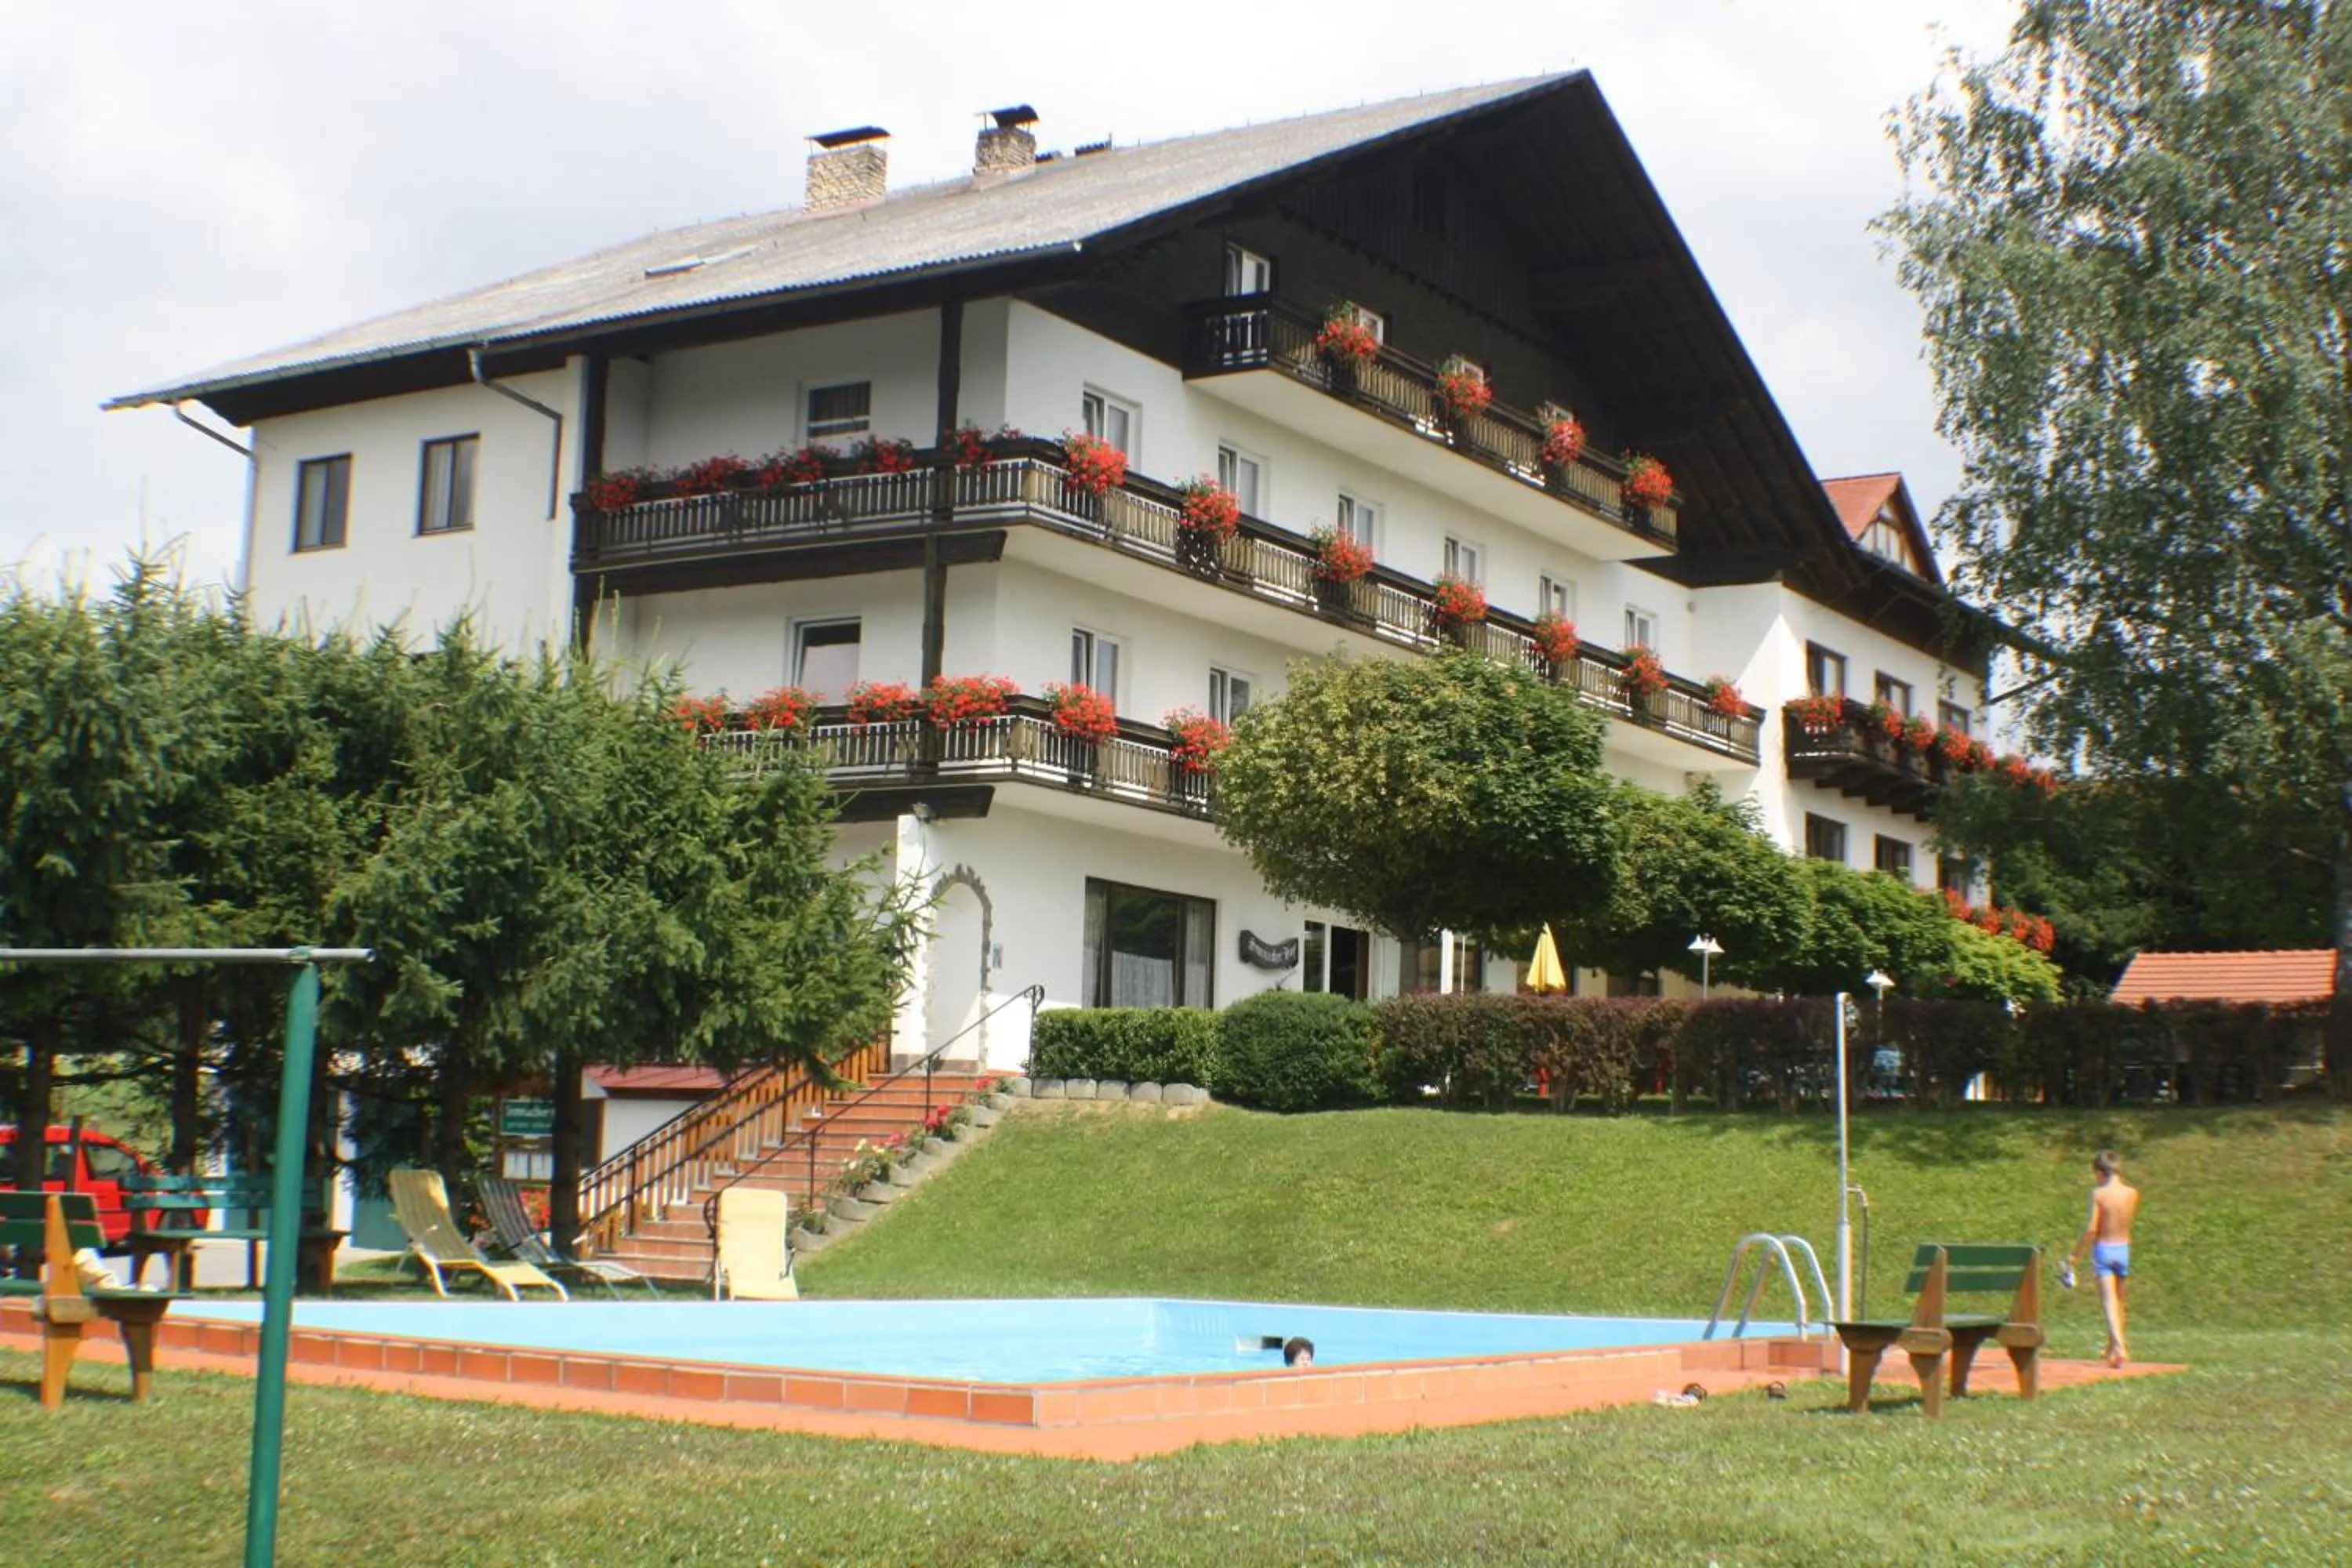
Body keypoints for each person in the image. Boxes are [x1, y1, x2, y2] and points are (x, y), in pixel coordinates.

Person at [2067, 1148, 2140, 1367]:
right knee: (2120, 1301)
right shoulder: (2132, 1193)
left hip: (2104, 1249)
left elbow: (2091, 1229)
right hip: (2123, 1248)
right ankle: (2113, 1347)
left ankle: (2119, 1346)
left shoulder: (2098, 1194)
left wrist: (2074, 1256)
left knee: (2108, 1301)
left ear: (2099, 1172)